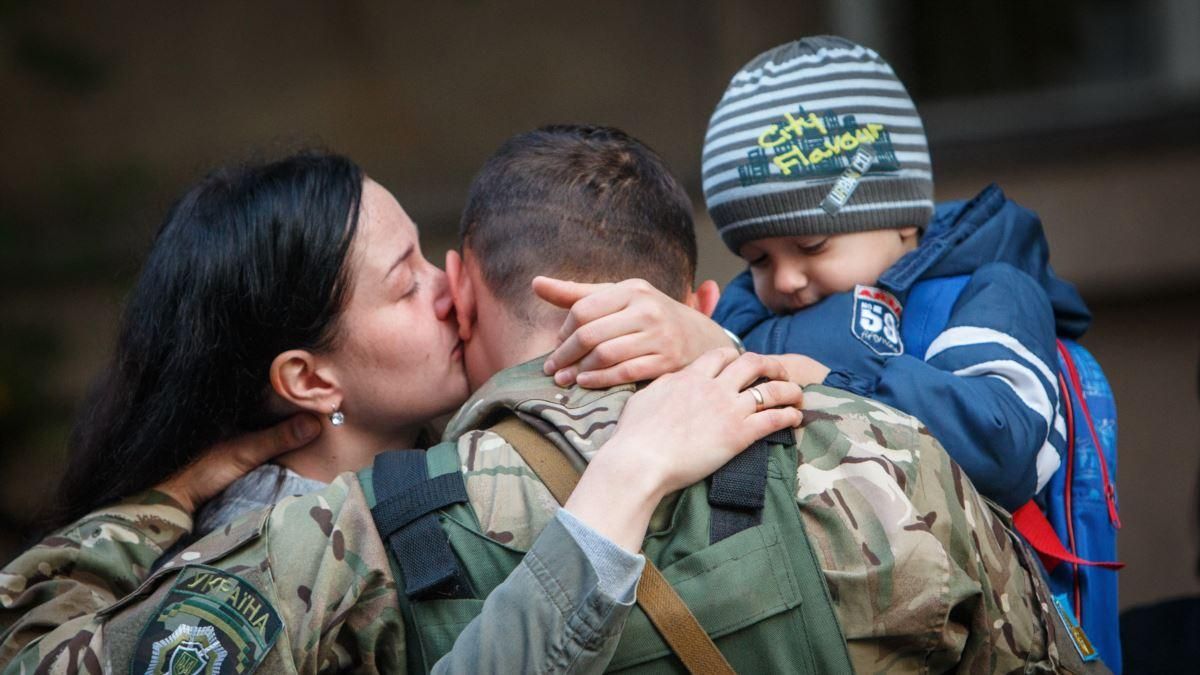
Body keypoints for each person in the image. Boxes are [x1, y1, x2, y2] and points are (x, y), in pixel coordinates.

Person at [0, 151, 801, 672]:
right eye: (405, 281)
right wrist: (166, 502)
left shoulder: (458, 460)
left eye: (428, 252)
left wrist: (705, 339)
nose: (454, 286)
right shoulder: (261, 554)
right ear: (310, 380)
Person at [543, 36, 1091, 514]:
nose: (783, 279)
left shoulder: (989, 291)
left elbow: (1004, 450)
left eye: (811, 245)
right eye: (757, 259)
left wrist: (824, 382)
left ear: (900, 216)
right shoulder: (747, 314)